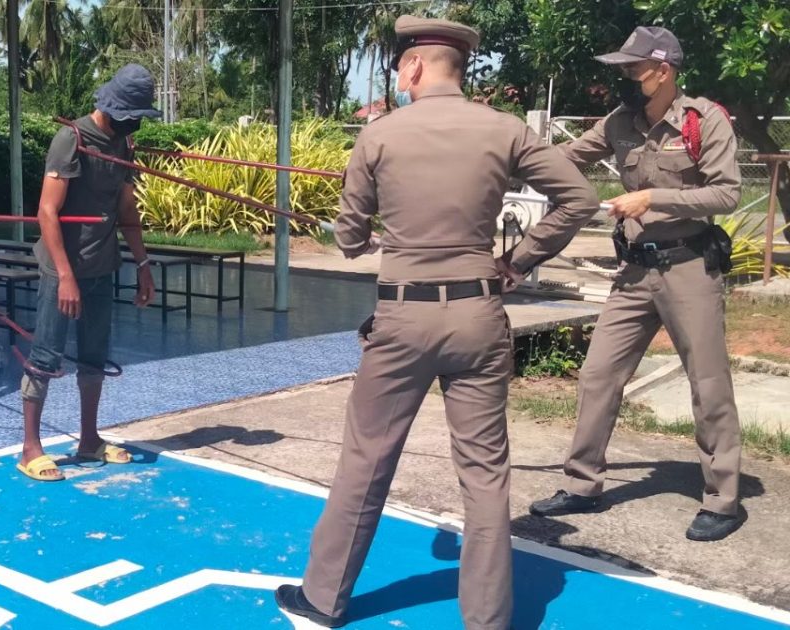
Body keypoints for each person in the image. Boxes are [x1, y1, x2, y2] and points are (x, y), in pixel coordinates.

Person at [275, 16, 601, 629]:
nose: (400, 76)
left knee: (366, 461)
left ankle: (323, 598)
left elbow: (349, 238)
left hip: (403, 319)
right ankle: (489, 619)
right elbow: (579, 199)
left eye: (400, 67)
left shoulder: (379, 135)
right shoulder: (505, 129)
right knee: (485, 474)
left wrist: (365, 232)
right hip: (479, 314)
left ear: (415, 65)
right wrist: (518, 260)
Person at [526, 26, 744, 542]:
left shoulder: (702, 121)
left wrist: (653, 198)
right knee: (598, 374)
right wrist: (497, 158)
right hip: (634, 272)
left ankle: (723, 500)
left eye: (632, 68)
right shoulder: (619, 120)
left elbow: (727, 194)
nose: (623, 77)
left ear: (662, 70)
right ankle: (582, 484)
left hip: (689, 268)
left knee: (708, 384)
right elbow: (563, 159)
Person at [15, 64, 158, 482]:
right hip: (61, 268)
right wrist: (65, 276)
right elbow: (47, 212)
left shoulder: (123, 143)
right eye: (131, 114)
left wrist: (143, 265)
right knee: (45, 356)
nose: (134, 122)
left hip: (102, 264)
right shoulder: (72, 139)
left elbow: (127, 210)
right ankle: (30, 448)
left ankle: (89, 439)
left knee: (94, 355)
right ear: (112, 106)